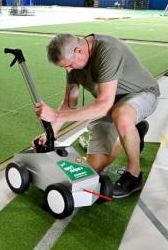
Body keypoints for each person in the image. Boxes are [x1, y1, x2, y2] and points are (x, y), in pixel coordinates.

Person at [34, 33, 159, 199]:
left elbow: (103, 105)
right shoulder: (73, 62)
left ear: (79, 50)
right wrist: (50, 133)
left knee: (122, 116)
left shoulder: (108, 51)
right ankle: (134, 131)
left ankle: (134, 175)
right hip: (110, 104)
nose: (68, 70)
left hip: (141, 94)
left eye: (69, 65)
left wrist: (56, 116)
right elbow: (69, 104)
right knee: (92, 168)